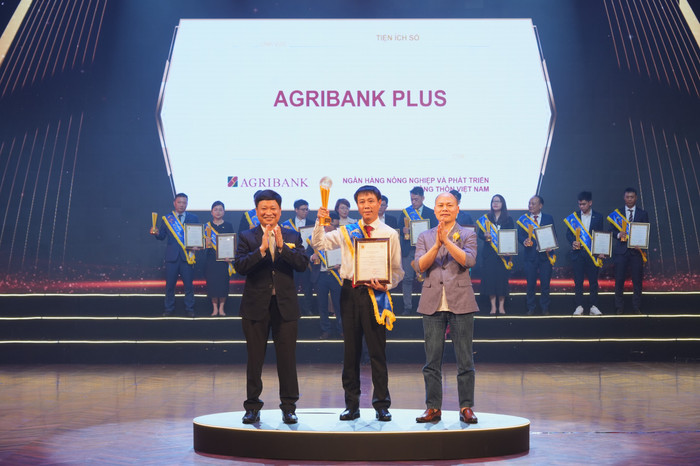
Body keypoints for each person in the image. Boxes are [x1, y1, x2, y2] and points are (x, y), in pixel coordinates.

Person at [312, 185, 404, 422]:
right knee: (350, 351)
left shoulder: (390, 233)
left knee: (377, 352)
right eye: (362, 202)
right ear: (357, 205)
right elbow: (319, 244)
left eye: (370, 201)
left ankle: (381, 404)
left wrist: (386, 285)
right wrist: (320, 222)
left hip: (376, 295)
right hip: (349, 293)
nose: (366, 205)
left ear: (379, 203)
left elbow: (397, 271)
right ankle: (351, 405)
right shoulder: (346, 231)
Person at [233, 189, 309, 425]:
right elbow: (240, 266)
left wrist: (283, 247)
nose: (268, 212)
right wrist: (262, 250)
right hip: (255, 307)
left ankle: (289, 407)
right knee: (255, 359)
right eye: (263, 208)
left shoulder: (292, 235)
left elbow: (302, 264)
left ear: (280, 210)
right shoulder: (247, 236)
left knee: (287, 359)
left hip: (285, 307)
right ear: (256, 211)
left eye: (273, 208)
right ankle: (252, 407)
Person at [414, 192, 479, 424]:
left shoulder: (468, 234)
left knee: (465, 359)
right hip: (432, 302)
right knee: (432, 361)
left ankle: (466, 407)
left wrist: (448, 241)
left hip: (461, 301)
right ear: (434, 209)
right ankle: (433, 407)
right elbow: (419, 266)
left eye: (449, 205)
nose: (444, 208)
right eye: (440, 205)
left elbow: (468, 261)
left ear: (457, 209)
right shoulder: (424, 236)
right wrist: (437, 244)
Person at [150, 193, 200, 317]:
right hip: (172, 257)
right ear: (174, 203)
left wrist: (198, 245)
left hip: (187, 256)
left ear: (187, 204)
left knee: (189, 285)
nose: (182, 205)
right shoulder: (167, 219)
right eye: (179, 202)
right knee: (170, 286)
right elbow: (162, 236)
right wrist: (156, 233)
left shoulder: (194, 218)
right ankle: (169, 309)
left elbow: (198, 236)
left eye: (184, 202)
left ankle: (190, 309)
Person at [607, 187, 649, 314]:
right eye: (627, 197)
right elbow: (611, 231)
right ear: (624, 198)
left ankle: (636, 307)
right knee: (619, 280)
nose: (629, 199)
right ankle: (619, 306)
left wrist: (641, 244)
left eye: (632, 197)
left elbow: (646, 232)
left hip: (636, 252)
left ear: (636, 198)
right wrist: (618, 235)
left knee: (637, 280)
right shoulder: (617, 213)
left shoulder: (643, 213)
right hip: (621, 251)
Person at [564, 191, 605, 316]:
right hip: (578, 254)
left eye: (584, 204)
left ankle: (594, 306)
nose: (581, 207)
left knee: (593, 282)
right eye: (579, 204)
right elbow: (568, 234)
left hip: (592, 255)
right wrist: (573, 242)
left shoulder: (598, 217)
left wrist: (601, 251)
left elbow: (600, 236)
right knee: (578, 281)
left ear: (590, 203)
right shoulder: (574, 217)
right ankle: (579, 306)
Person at [517, 195, 556, 315]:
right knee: (530, 284)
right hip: (530, 256)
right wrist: (524, 241)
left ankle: (545, 307)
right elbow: (519, 236)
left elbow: (553, 234)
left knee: (545, 284)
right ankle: (531, 307)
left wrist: (551, 245)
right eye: (529, 203)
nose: (530, 206)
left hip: (545, 256)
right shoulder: (523, 219)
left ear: (540, 205)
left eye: (533, 203)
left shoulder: (548, 218)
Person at [400, 186, 437, 314]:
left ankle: (425, 306)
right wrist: (403, 231)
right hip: (409, 250)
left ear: (423, 198)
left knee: (425, 279)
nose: (413, 202)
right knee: (407, 279)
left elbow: (435, 231)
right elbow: (399, 230)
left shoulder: (431, 213)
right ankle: (407, 306)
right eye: (412, 199)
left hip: (425, 251)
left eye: (416, 199)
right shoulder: (405, 212)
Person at [476, 194, 514, 315]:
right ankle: (493, 306)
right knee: (490, 280)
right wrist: (485, 236)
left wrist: (509, 249)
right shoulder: (486, 218)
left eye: (498, 201)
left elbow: (511, 235)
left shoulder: (508, 219)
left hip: (503, 254)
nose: (495, 203)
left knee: (501, 280)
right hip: (489, 254)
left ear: (503, 203)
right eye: (493, 201)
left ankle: (501, 306)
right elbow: (479, 234)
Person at [311, 211, 343, 339]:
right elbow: (306, 253)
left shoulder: (340, 237)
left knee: (339, 304)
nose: (335, 228)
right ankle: (326, 330)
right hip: (321, 275)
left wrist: (340, 264)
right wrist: (311, 257)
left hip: (336, 275)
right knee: (322, 305)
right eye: (334, 225)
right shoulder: (316, 236)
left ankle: (342, 329)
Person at [282, 199, 315, 315]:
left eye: (307, 209)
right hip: (292, 260)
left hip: (306, 259)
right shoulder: (287, 225)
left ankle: (308, 309)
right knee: (292, 285)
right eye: (303, 209)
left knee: (307, 286)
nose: (305, 211)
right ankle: (291, 308)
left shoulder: (312, 224)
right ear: (296, 210)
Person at [204, 201, 234, 316]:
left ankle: (221, 308)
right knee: (212, 284)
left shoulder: (228, 225)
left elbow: (232, 243)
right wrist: (206, 242)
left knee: (223, 284)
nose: (218, 212)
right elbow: (202, 246)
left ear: (224, 212)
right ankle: (214, 308)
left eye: (220, 210)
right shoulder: (207, 226)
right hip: (211, 260)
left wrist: (230, 256)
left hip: (224, 260)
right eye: (215, 209)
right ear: (211, 212)